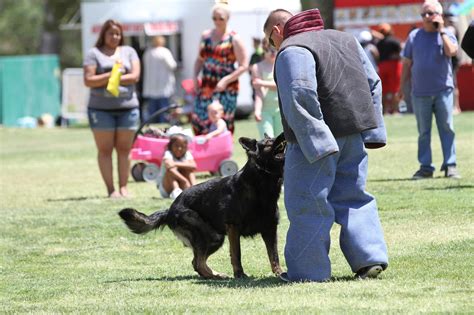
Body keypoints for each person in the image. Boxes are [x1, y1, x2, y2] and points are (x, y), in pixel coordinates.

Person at [264, 8, 388, 282]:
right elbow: (373, 83)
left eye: (271, 42)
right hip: (352, 134)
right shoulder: (347, 39)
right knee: (354, 197)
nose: (275, 47)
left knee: (307, 203)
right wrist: (373, 130)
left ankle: (308, 272)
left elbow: (300, 93)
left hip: (314, 141)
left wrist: (316, 139)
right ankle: (370, 259)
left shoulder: (292, 49)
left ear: (276, 32)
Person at [399, 1, 461, 180]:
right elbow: (407, 63)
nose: (426, 17)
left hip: (443, 90)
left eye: (431, 13)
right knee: (423, 132)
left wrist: (441, 31)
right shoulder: (414, 36)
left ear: (439, 15)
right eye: (424, 14)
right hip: (420, 92)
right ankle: (426, 167)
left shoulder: (447, 34)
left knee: (447, 128)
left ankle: (450, 165)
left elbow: (452, 52)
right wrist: (402, 87)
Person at [83, 19, 140, 198]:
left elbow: (135, 76)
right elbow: (88, 80)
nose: (115, 37)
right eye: (111, 33)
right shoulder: (93, 54)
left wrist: (116, 77)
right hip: (100, 110)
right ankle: (111, 190)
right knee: (105, 150)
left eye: (117, 33)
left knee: (124, 150)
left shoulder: (129, 52)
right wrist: (112, 74)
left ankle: (124, 188)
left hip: (128, 108)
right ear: (103, 35)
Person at [192, 1, 248, 135]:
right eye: (214, 18)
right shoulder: (205, 36)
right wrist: (194, 76)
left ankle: (223, 152)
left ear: (228, 18)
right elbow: (200, 59)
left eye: (220, 18)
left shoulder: (234, 38)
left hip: (226, 88)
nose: (217, 21)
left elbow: (244, 65)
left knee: (223, 122)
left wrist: (226, 80)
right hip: (206, 84)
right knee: (199, 119)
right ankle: (204, 151)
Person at [250, 39, 283, 139]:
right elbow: (258, 92)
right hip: (265, 111)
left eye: (274, 49)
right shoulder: (257, 67)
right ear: (264, 49)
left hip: (280, 110)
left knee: (281, 142)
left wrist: (262, 83)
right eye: (269, 49)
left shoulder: (281, 64)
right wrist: (257, 110)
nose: (272, 52)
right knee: (268, 141)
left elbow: (280, 85)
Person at [142, 35, 177, 123]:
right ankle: (163, 124)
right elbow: (172, 65)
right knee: (163, 110)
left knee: (152, 111)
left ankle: (152, 125)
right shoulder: (164, 52)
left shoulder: (148, 53)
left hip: (151, 87)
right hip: (163, 86)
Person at [158, 134, 197, 199]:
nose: (179, 149)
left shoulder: (187, 154)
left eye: (182, 146)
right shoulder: (168, 153)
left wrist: (176, 164)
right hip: (167, 188)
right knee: (170, 170)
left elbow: (194, 166)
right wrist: (185, 181)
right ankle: (176, 190)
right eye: (176, 146)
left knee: (189, 170)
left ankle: (195, 189)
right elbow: (169, 166)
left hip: (183, 186)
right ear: (171, 146)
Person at [376, 23, 402, 115]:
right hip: (394, 66)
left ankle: (384, 111)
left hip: (382, 66)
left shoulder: (379, 43)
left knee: (383, 90)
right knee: (395, 89)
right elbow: (401, 52)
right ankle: (395, 110)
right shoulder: (395, 41)